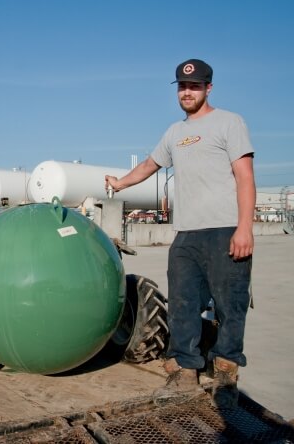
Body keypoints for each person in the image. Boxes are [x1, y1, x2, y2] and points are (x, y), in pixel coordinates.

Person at [105, 59, 255, 409]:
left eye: (195, 86)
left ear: (208, 88)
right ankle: (185, 371)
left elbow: (245, 176)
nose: (187, 92)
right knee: (183, 305)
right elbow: (149, 164)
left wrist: (244, 227)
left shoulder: (230, 122)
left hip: (225, 229)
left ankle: (226, 371)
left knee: (230, 304)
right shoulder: (174, 132)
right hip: (186, 232)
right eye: (182, 87)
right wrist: (120, 182)